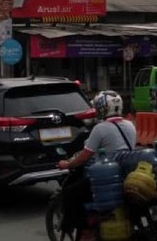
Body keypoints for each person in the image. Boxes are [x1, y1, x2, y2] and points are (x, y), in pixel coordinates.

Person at [56, 91, 137, 236]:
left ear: (102, 109)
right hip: (127, 174)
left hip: (106, 176)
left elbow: (84, 157)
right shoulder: (130, 125)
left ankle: (86, 229)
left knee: (72, 192)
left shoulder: (100, 129)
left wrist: (67, 164)